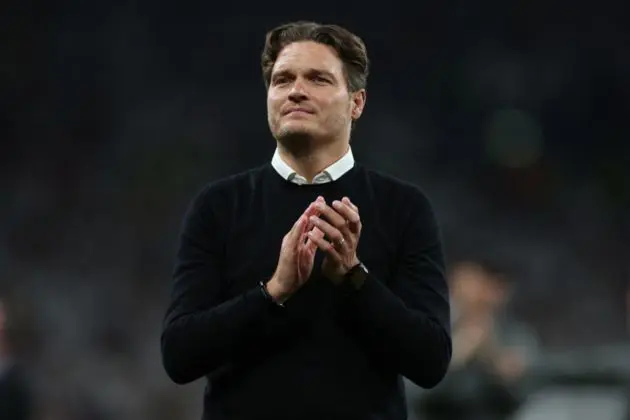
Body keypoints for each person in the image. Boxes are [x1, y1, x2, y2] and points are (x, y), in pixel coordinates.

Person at [160, 21, 452, 420]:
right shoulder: (218, 206)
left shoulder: (403, 207)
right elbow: (179, 356)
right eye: (282, 80)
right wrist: (275, 290)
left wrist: (354, 278)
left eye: (318, 79)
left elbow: (431, 361)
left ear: (356, 103)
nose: (296, 90)